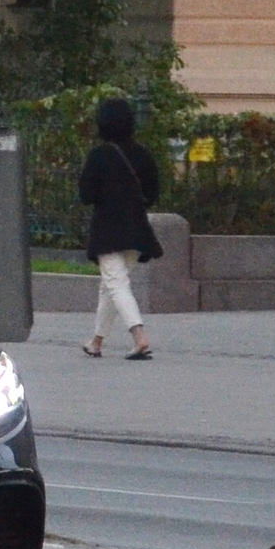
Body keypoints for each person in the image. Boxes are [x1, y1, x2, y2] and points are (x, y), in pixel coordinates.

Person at [78, 96, 161, 361]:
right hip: (137, 231)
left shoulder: (99, 156)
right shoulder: (143, 155)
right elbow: (152, 193)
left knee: (116, 284)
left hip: (108, 231)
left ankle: (139, 336)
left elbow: (86, 195)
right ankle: (96, 342)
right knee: (111, 285)